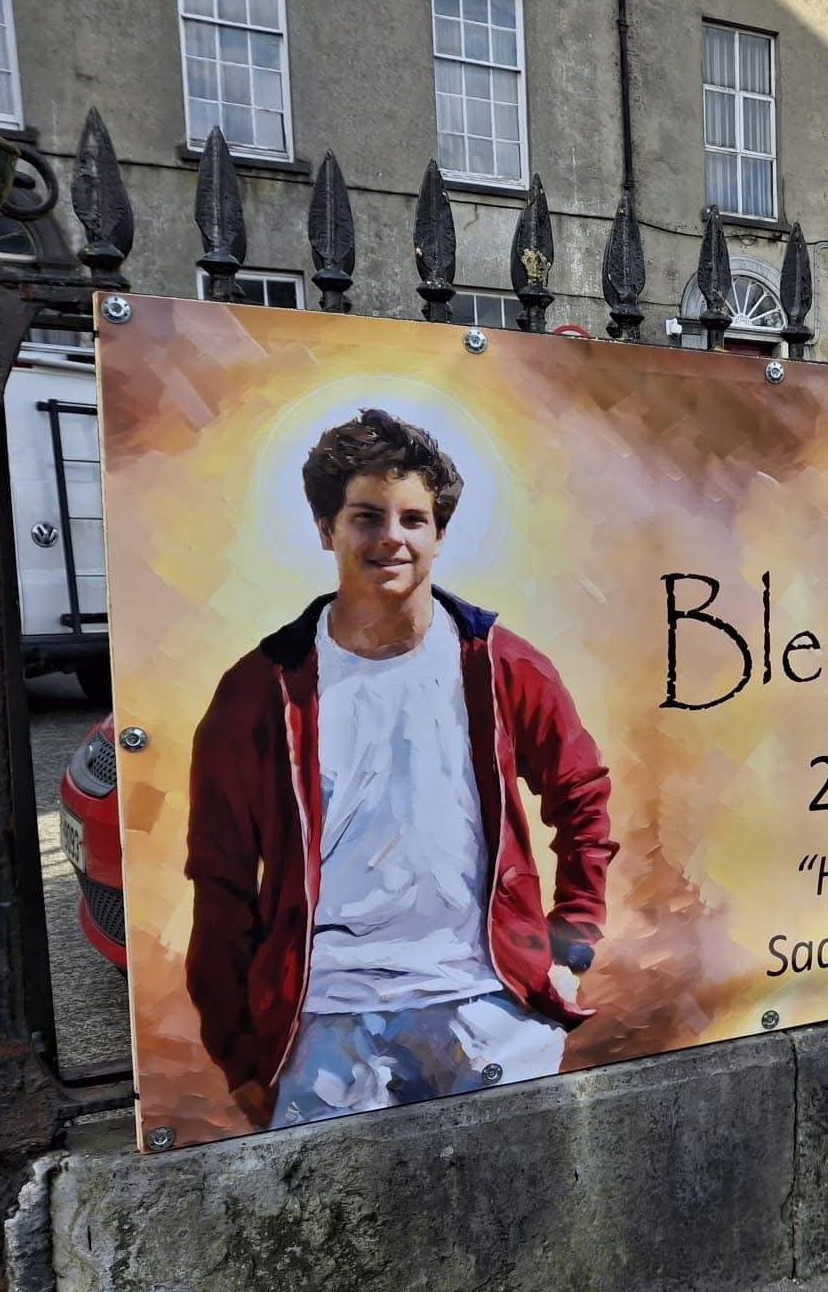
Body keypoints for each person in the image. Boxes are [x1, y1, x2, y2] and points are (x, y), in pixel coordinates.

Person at [184, 408, 615, 1130]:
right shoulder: (259, 690)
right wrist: (238, 1051)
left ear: (439, 535)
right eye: (366, 517)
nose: (392, 538)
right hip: (324, 1021)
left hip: (490, 1006)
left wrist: (572, 936)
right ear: (327, 530)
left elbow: (581, 796)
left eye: (414, 519)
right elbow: (220, 878)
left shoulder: (502, 665)